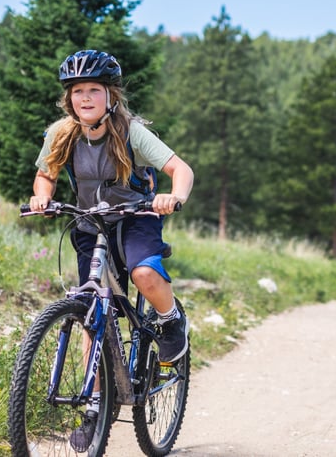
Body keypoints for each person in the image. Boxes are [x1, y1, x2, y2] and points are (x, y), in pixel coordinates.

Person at [28, 49, 194, 450]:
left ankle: (171, 321)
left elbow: (181, 170)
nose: (84, 98)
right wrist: (42, 198)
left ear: (110, 95)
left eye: (93, 90)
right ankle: (96, 406)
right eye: (77, 91)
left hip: (136, 218)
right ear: (69, 98)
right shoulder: (61, 133)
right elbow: (44, 176)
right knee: (93, 311)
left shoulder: (131, 131)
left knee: (143, 274)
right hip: (90, 225)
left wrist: (173, 196)